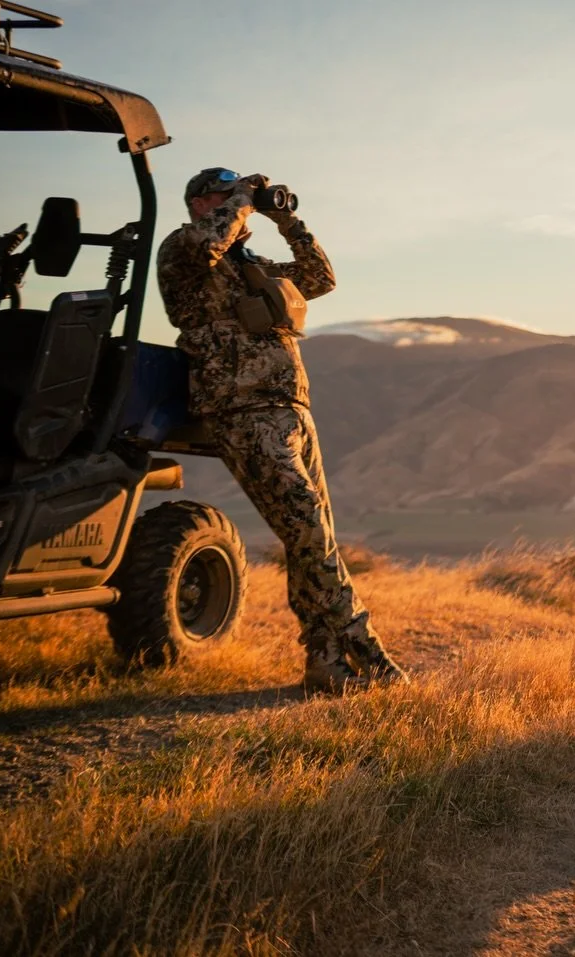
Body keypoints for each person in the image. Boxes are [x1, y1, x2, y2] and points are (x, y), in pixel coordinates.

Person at [156, 167, 405, 693]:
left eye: (239, 197)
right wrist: (244, 199)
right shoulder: (184, 249)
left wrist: (287, 221)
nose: (239, 204)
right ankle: (368, 651)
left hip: (290, 410)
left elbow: (320, 279)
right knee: (308, 529)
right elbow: (207, 242)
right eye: (226, 197)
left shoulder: (254, 266)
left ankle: (326, 661)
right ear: (201, 204)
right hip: (241, 410)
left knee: (312, 541)